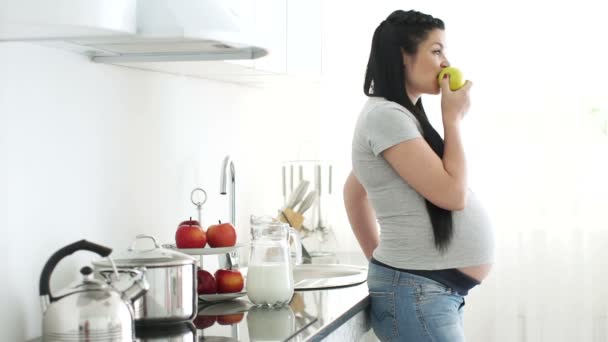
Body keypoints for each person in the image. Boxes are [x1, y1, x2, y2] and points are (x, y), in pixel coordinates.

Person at [343, 9, 495, 342]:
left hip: (423, 289)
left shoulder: (398, 116)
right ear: (403, 56)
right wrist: (452, 120)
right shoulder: (387, 117)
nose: (445, 62)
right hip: (418, 290)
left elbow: (354, 191)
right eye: (436, 50)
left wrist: (386, 264)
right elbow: (452, 196)